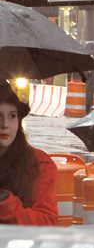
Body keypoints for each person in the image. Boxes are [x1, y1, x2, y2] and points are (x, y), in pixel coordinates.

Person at [0, 82, 58, 226]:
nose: (5, 124)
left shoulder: (38, 163)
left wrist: (4, 200)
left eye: (12, 116)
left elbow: (46, 222)